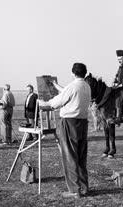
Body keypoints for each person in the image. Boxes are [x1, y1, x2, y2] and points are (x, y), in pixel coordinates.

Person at [39, 63, 91, 198]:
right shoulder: (86, 86)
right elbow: (69, 93)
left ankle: (74, 190)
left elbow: (57, 102)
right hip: (83, 123)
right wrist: (56, 85)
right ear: (84, 73)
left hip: (70, 123)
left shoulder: (72, 86)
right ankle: (84, 188)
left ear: (73, 73)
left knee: (70, 156)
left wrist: (43, 103)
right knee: (80, 156)